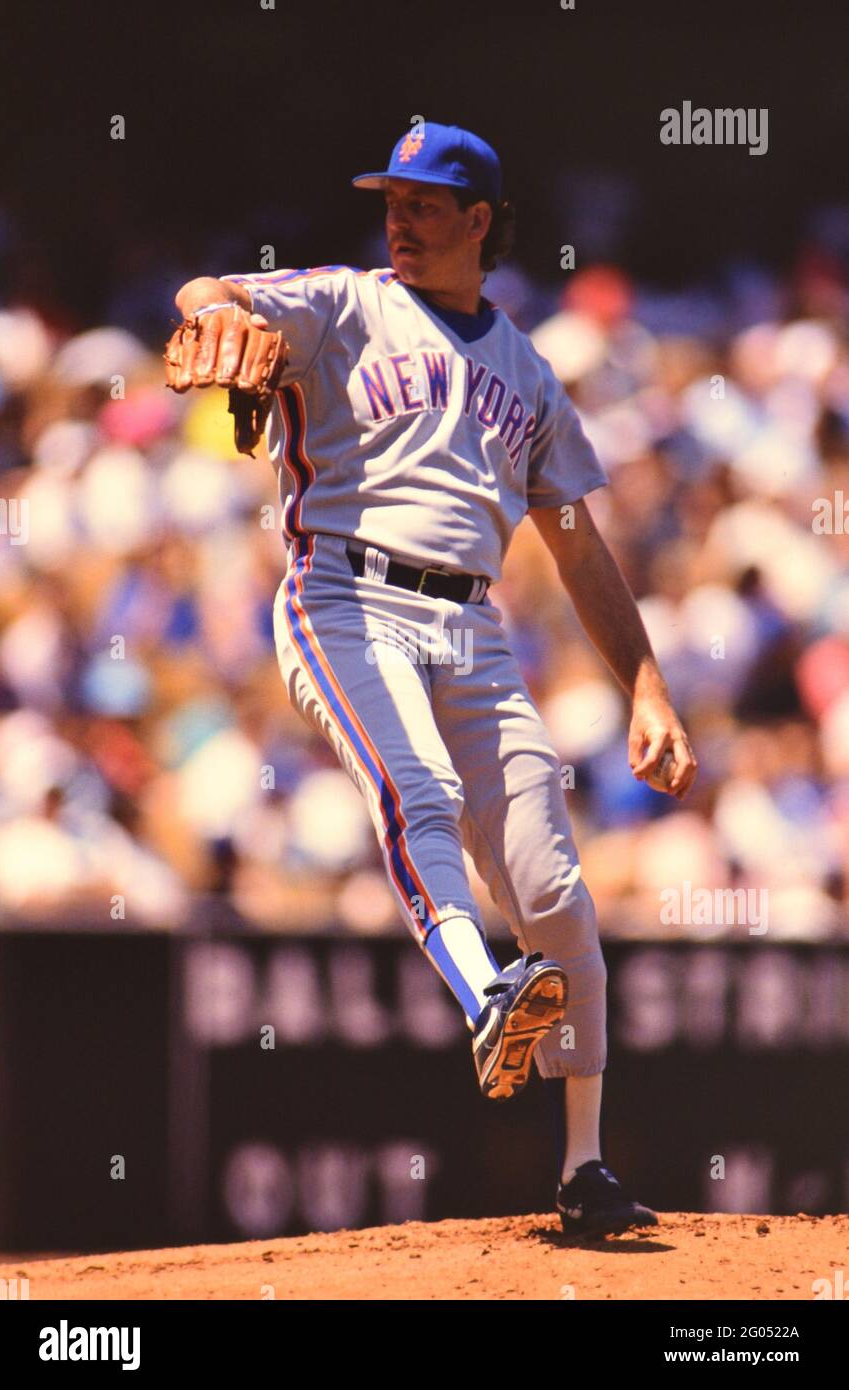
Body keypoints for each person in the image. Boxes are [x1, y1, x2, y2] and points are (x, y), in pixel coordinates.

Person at [170, 121, 697, 1238]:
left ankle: (583, 1166)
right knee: (417, 792)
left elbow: (577, 547)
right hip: (341, 596)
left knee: (554, 891)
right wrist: (210, 308)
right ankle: (482, 992)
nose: (397, 218)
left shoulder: (527, 372)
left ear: (478, 223)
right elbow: (210, 289)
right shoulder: (345, 304)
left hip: (472, 624)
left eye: (421, 202)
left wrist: (645, 684)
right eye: (391, 199)